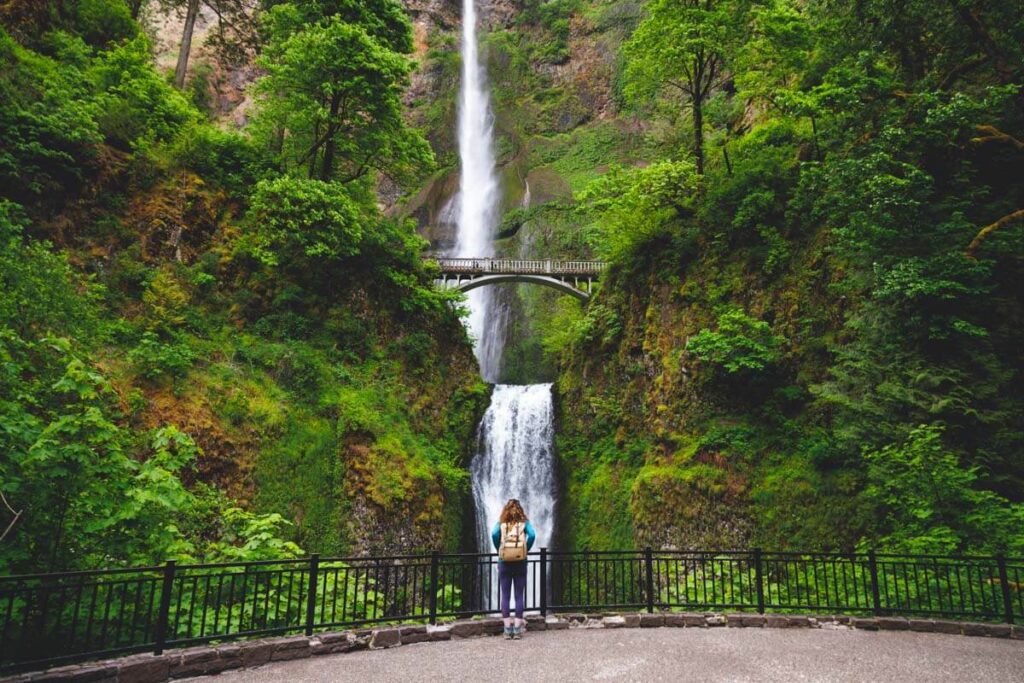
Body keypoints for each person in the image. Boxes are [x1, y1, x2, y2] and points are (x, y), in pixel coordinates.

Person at [491, 498, 536, 640]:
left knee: (505, 595)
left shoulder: (502, 523)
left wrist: (500, 549)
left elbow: (494, 534)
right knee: (518, 596)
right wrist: (525, 550)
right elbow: (533, 535)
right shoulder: (524, 523)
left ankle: (506, 629)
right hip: (520, 562)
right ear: (520, 510)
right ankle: (516, 630)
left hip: (504, 562)